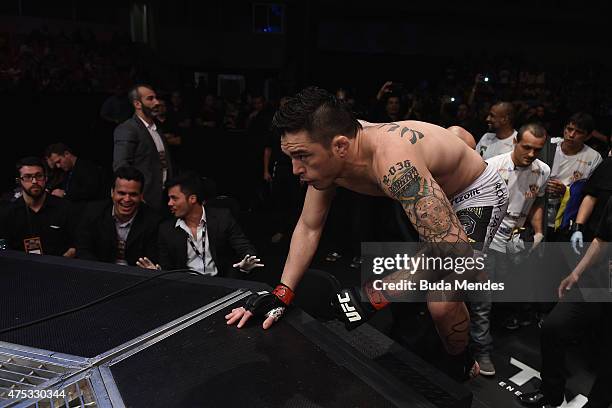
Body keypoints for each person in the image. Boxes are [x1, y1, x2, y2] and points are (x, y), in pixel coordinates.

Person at [226, 87, 509, 379]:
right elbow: (309, 226)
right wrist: (282, 293)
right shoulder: (329, 153)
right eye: (291, 157)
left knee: (441, 301)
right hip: (436, 188)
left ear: (340, 147)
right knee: (422, 275)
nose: (296, 169)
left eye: (302, 156)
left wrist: (374, 295)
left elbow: (454, 247)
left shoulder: (394, 163)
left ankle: (462, 364)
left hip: (475, 192)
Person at [469, 123, 550, 376]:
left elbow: (536, 201)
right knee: (483, 299)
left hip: (516, 240)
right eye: (526, 147)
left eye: (538, 149)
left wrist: (538, 232)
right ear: (515, 141)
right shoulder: (491, 166)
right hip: (488, 238)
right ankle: (481, 350)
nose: (532, 153)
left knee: (501, 294)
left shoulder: (542, 170)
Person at [518, 197, 612, 408]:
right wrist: (576, 274)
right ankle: (551, 393)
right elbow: (602, 239)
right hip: (598, 283)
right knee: (553, 328)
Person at [137, 172, 262, 278]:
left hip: (221, 283)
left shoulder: (222, 218)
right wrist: (158, 273)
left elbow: (244, 246)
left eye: (174, 198)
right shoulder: (166, 229)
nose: (169, 203)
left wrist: (247, 263)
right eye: (169, 199)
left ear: (192, 199)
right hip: (187, 287)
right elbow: (167, 268)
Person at [75, 167, 161, 266]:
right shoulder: (93, 212)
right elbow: (83, 250)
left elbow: (153, 258)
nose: (127, 199)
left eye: (133, 194)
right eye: (121, 193)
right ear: (112, 192)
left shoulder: (154, 221)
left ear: (141, 196)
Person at [113, 84, 175, 211]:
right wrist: (133, 195)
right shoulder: (128, 129)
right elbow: (121, 165)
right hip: (144, 198)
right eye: (150, 99)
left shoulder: (156, 128)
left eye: (156, 98)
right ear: (137, 104)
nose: (157, 102)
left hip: (163, 196)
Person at [1, 157, 75, 257]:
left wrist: (64, 259)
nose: (34, 181)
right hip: (21, 268)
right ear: (19, 181)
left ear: (46, 178)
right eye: (28, 177)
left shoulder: (65, 208)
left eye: (39, 176)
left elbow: (76, 244)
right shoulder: (9, 212)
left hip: (58, 267)